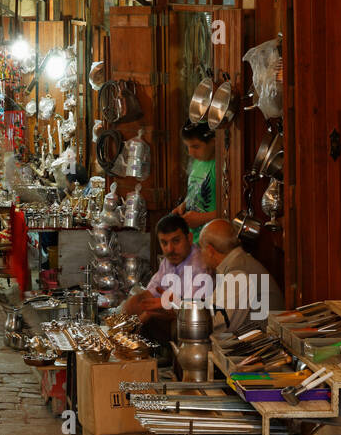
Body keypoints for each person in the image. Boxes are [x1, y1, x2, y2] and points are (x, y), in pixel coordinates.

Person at [120, 213, 212, 341]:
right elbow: (149, 295)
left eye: (176, 241)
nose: (170, 249)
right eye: (164, 243)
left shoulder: (199, 266)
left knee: (151, 317)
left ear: (189, 239)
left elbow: (190, 311)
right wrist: (130, 310)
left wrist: (141, 320)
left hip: (193, 326)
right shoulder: (169, 260)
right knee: (133, 303)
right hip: (175, 316)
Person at [199, 218, 282, 336]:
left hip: (263, 349)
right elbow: (213, 307)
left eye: (201, 248)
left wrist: (180, 313)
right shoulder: (236, 264)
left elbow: (220, 324)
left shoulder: (238, 273)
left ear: (210, 250)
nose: (200, 253)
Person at [174, 121, 218, 243]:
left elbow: (231, 209)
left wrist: (202, 218)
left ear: (214, 141)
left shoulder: (220, 167)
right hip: (193, 240)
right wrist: (184, 205)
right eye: (187, 146)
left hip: (210, 242)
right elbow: (195, 190)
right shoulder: (198, 162)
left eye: (196, 146)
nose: (190, 153)